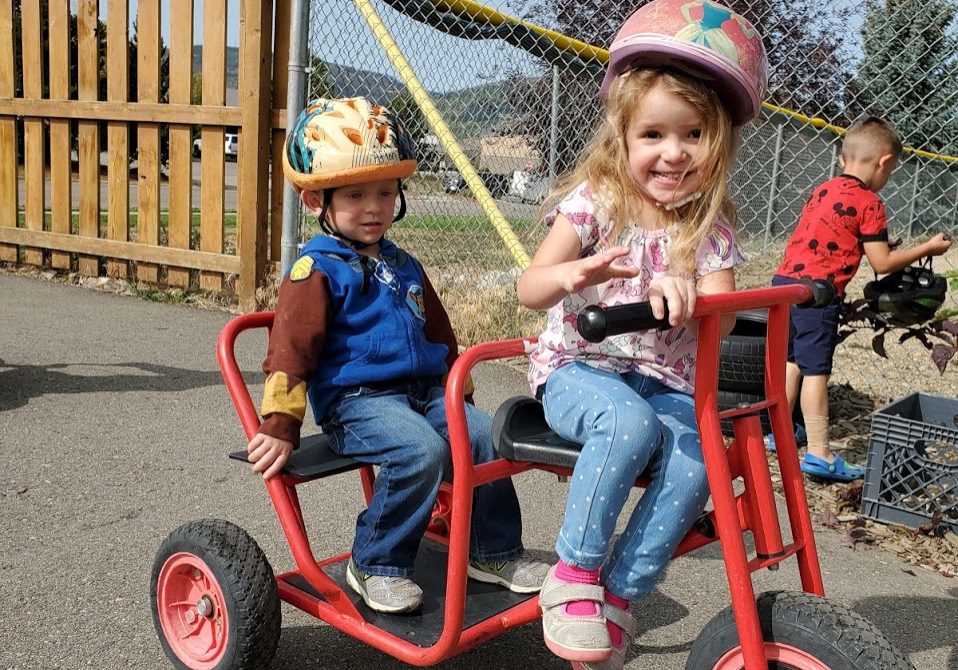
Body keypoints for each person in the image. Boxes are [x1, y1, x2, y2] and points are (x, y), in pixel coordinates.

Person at [515, 1, 767, 668]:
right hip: (577, 369)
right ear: (622, 139)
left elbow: (728, 311)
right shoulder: (597, 203)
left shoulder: (708, 228)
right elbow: (529, 288)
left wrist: (691, 294)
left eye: (693, 135)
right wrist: (575, 271)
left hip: (662, 378)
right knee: (628, 425)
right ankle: (572, 575)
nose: (673, 152)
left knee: (696, 451)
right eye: (653, 134)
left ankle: (621, 593)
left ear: (718, 144)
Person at [247, 97, 548, 614]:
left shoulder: (404, 264)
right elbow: (291, 350)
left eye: (385, 193)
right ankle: (375, 562)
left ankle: (493, 552)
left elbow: (440, 334)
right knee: (419, 452)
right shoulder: (315, 269)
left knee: (483, 436)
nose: (374, 207)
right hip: (357, 402)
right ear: (318, 200)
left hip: (426, 394)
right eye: (357, 195)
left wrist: (461, 398)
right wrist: (280, 424)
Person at [771, 116, 952, 481]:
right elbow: (882, 264)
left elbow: (834, 234)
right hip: (819, 293)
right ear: (884, 162)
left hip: (784, 284)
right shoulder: (870, 202)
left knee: (791, 361)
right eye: (892, 170)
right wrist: (927, 247)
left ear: (842, 159)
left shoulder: (824, 189)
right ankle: (820, 453)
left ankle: (778, 433)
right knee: (816, 370)